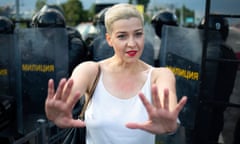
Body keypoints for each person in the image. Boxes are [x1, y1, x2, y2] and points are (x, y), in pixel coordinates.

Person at [45, 3, 187, 144]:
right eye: (122, 36)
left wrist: (170, 124)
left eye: (138, 34)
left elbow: (169, 111)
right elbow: (70, 96)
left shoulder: (160, 75)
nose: (132, 43)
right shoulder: (90, 71)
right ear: (109, 39)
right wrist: (60, 110)